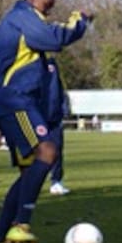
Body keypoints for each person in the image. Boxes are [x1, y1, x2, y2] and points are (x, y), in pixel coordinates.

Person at [0, 0, 91, 243]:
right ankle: (21, 225)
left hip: (15, 102)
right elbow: (55, 38)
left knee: (31, 169)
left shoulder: (13, 25)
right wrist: (80, 20)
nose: (48, 13)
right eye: (46, 6)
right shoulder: (22, 16)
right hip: (15, 99)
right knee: (48, 151)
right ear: (32, 0)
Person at [45, 56, 71, 196]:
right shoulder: (29, 62)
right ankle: (28, 184)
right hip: (37, 116)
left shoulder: (52, 63)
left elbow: (59, 89)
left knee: (57, 150)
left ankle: (56, 182)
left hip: (54, 117)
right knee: (33, 152)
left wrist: (64, 109)